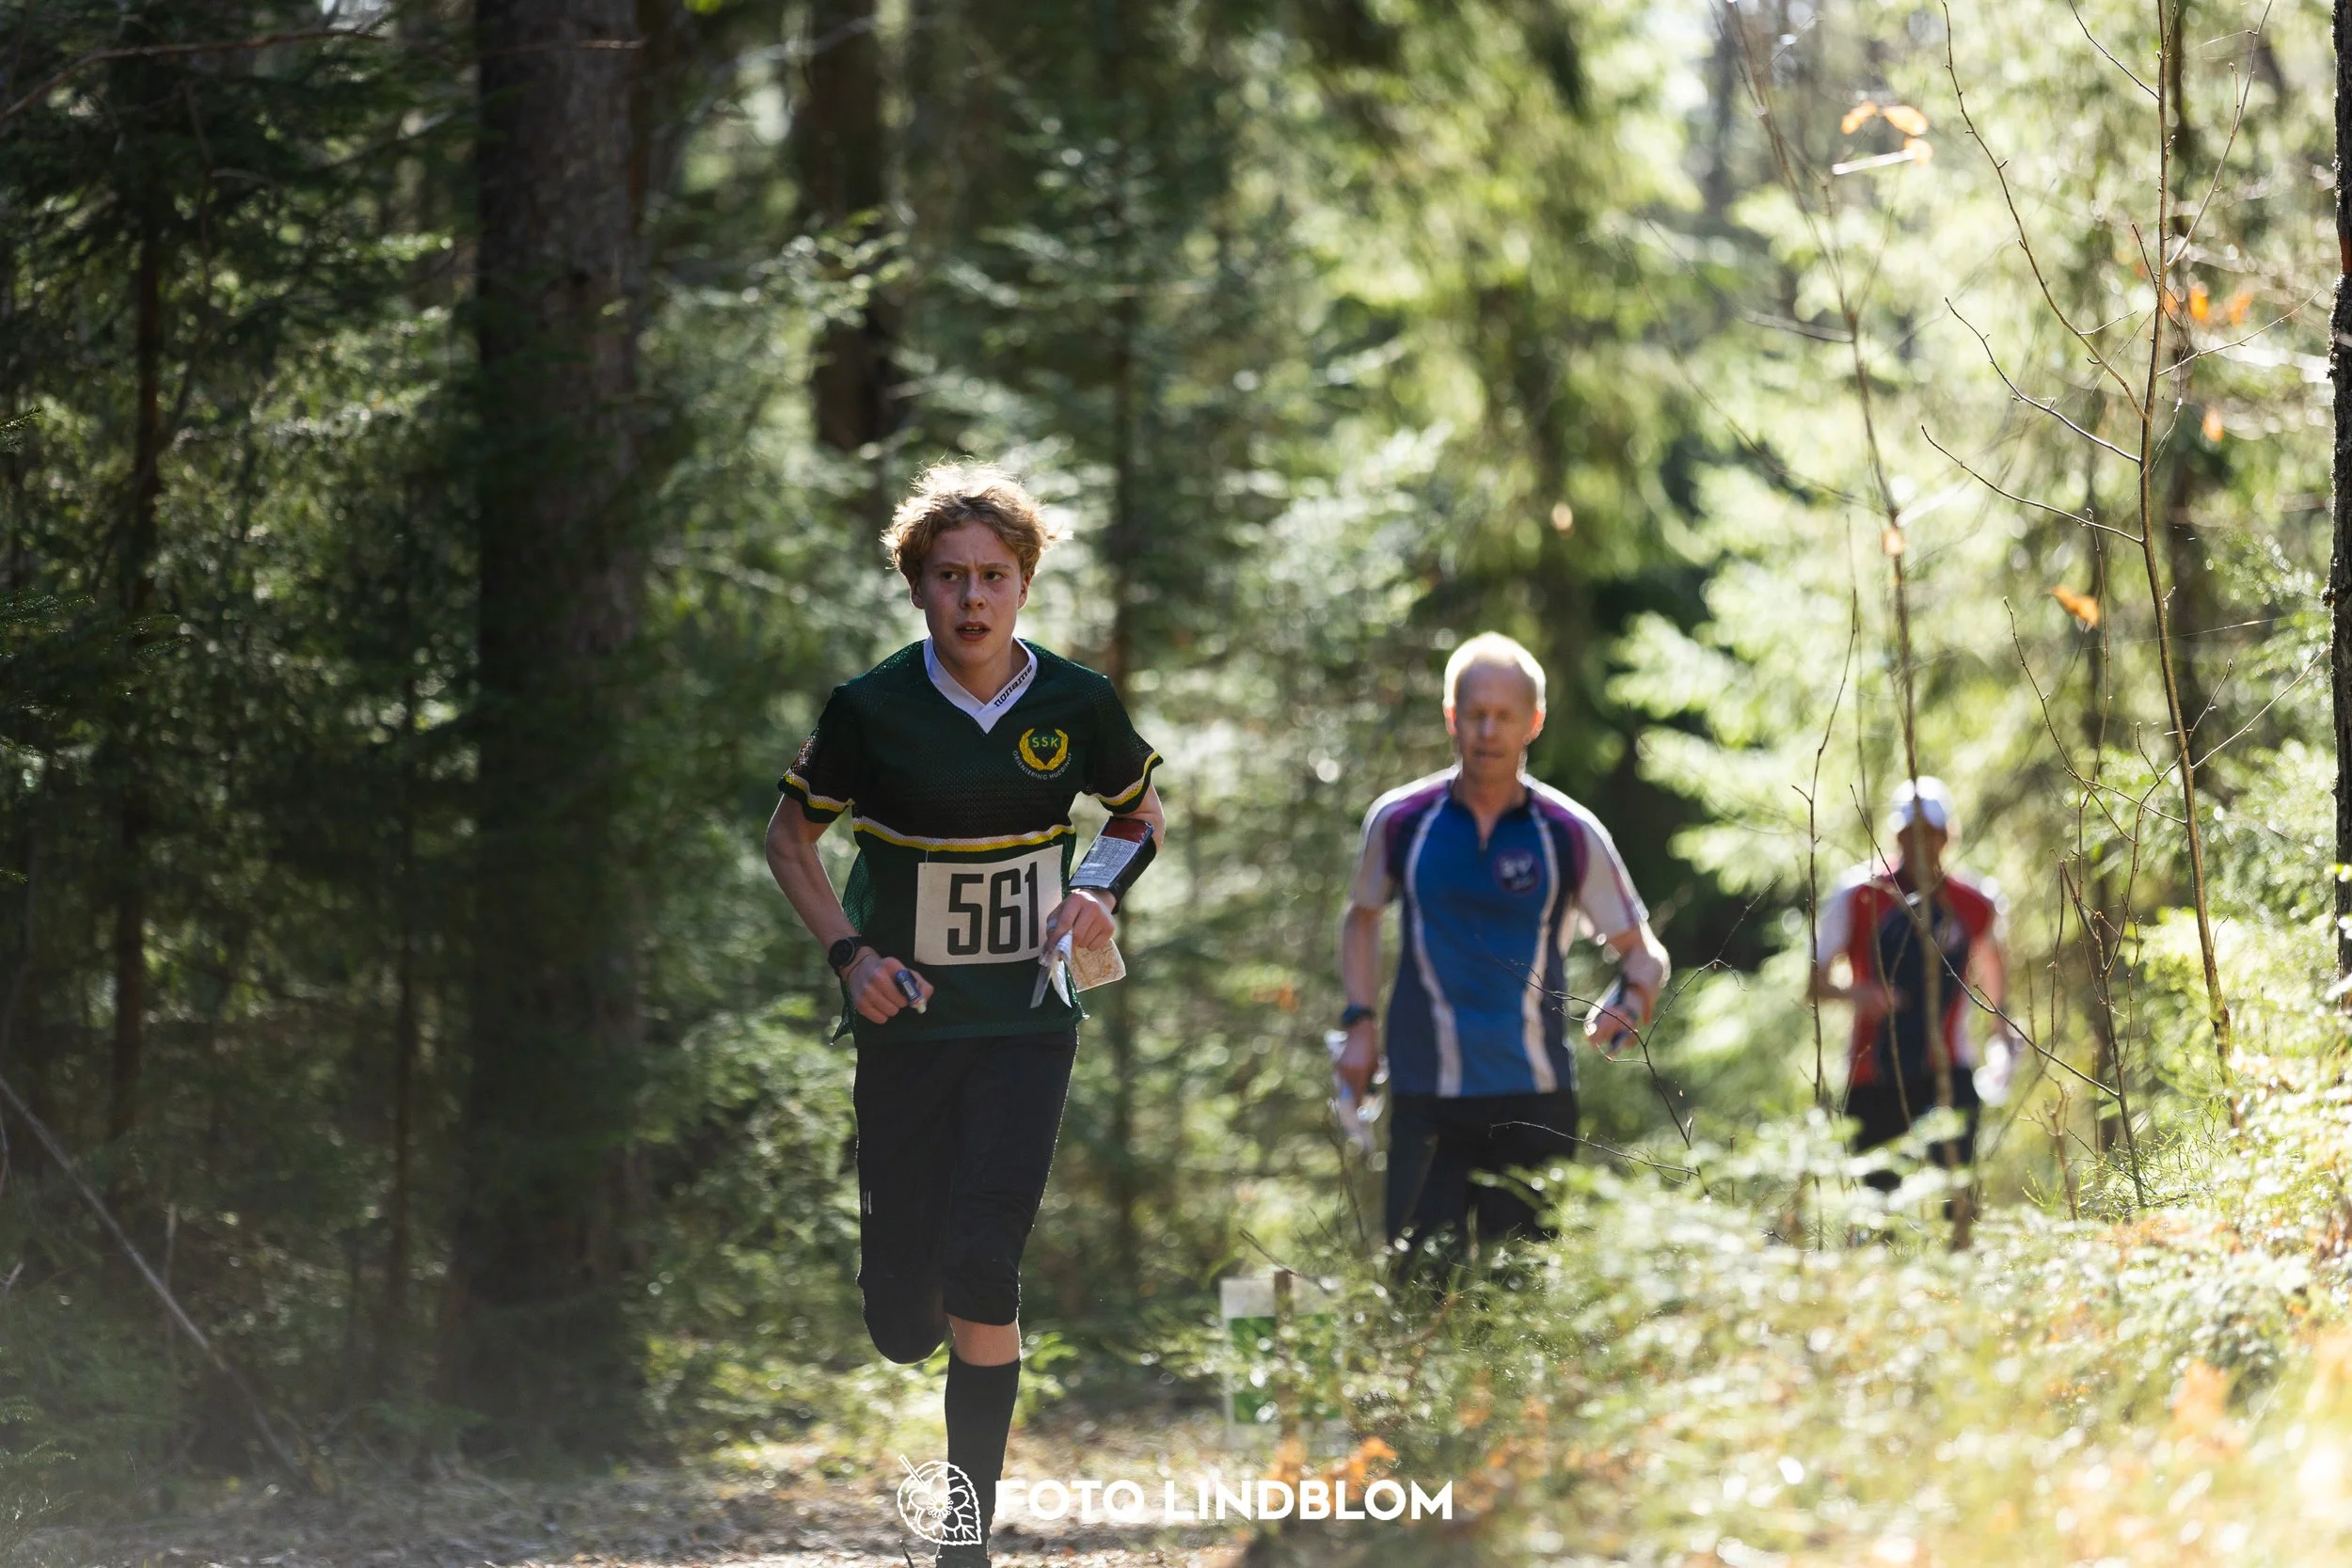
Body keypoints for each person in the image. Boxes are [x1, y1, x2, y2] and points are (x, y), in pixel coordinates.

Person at [764, 463, 1165, 1568]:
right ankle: (906, 1303)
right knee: (903, 1316)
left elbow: (1138, 813)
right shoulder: (870, 709)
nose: (972, 599)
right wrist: (849, 955)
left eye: (993, 575)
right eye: (950, 577)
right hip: (908, 1024)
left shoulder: (1075, 703)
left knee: (985, 1258)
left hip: (1029, 1019)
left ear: (1025, 583)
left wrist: (1096, 886)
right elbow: (788, 840)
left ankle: (965, 1535)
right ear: (917, 589)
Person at [1335, 632, 1671, 1270]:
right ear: (1451, 717)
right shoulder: (1401, 819)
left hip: (1534, 1098)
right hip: (1424, 1090)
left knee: (1523, 1299)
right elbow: (1361, 916)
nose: (1487, 730)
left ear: (1532, 723)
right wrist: (1359, 1020)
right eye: (1474, 714)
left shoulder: (1568, 832)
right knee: (1418, 1286)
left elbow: (1644, 952)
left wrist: (1631, 997)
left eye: (1504, 715)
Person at [1810, 776, 2009, 1193]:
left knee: (1959, 1198)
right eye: (1909, 833)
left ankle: (1961, 1256)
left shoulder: (1975, 902)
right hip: (1873, 1072)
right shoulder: (1858, 894)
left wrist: (2000, 1039)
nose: (1919, 843)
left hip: (1949, 1071)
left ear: (1946, 836)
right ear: (1896, 835)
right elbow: (1814, 982)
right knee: (1875, 1207)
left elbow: (1994, 972)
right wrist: (1860, 994)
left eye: (1930, 833)